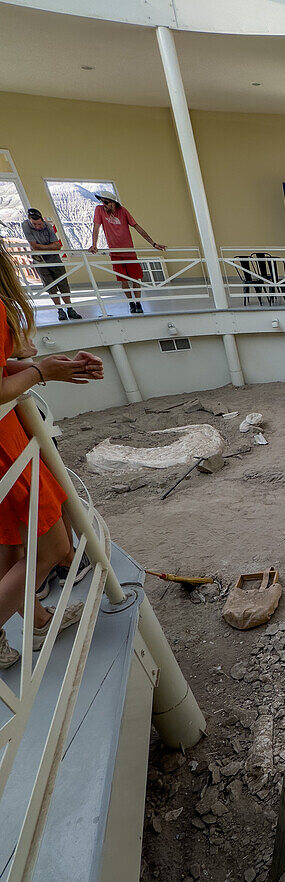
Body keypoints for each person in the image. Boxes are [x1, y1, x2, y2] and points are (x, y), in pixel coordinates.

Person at [0, 237, 104, 668]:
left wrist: (48, 368)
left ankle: (39, 621)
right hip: (6, 450)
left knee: (8, 548)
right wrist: (41, 370)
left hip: (10, 442)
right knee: (53, 549)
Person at [89, 191, 166, 314]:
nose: (103, 204)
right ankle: (131, 302)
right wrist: (94, 244)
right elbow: (96, 227)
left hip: (129, 252)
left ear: (113, 203)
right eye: (102, 201)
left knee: (135, 279)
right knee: (123, 280)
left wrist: (153, 243)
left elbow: (136, 227)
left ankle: (138, 302)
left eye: (106, 202)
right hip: (115, 252)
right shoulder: (99, 210)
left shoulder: (123, 211)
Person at [21, 209, 81, 322]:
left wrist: (44, 247)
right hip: (40, 260)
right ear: (29, 221)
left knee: (63, 283)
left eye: (39, 224)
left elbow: (57, 245)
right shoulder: (25, 226)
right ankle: (60, 310)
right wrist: (50, 247)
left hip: (54, 258)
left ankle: (70, 308)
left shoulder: (47, 226)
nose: (38, 227)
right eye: (35, 224)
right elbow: (35, 246)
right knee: (50, 286)